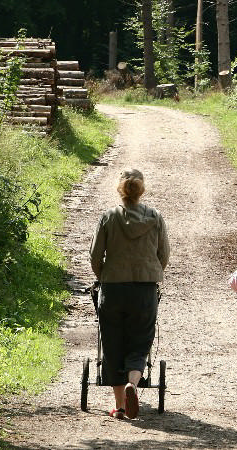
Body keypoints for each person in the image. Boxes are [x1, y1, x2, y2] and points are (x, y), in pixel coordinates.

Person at [90, 169, 169, 420]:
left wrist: (103, 275)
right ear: (141, 189)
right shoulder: (155, 217)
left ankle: (121, 406)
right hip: (144, 289)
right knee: (140, 340)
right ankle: (132, 385)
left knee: (112, 342)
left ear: (120, 188)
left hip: (112, 288)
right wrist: (149, 273)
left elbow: (95, 255)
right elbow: (163, 255)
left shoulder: (109, 217)